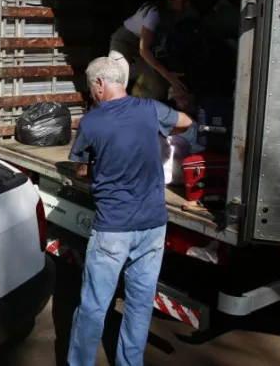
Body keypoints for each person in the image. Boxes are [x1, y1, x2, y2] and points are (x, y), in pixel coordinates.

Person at [67, 57, 193, 366]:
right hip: (153, 225)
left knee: (94, 306)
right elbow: (186, 121)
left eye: (91, 88)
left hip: (113, 228)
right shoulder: (150, 109)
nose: (92, 94)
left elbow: (82, 169)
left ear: (99, 84)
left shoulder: (91, 122)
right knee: (139, 306)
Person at [108, 0, 193, 100]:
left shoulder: (175, 15)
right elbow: (144, 49)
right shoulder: (154, 14)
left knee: (158, 88)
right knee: (117, 82)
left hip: (145, 48)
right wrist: (167, 74)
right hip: (126, 41)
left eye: (188, 0)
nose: (187, 4)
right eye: (184, 0)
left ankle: (137, 111)